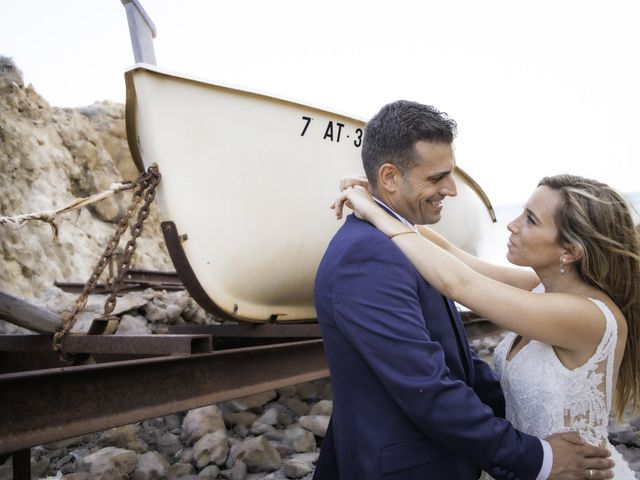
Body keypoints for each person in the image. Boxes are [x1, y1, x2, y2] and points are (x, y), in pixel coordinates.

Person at [313, 99, 614, 480]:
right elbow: (428, 388)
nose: (450, 189)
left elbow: (459, 330)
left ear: (571, 250)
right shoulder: (368, 255)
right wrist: (534, 458)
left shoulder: (403, 245)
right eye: (437, 177)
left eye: (450, 174)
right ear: (390, 177)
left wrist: (379, 207)